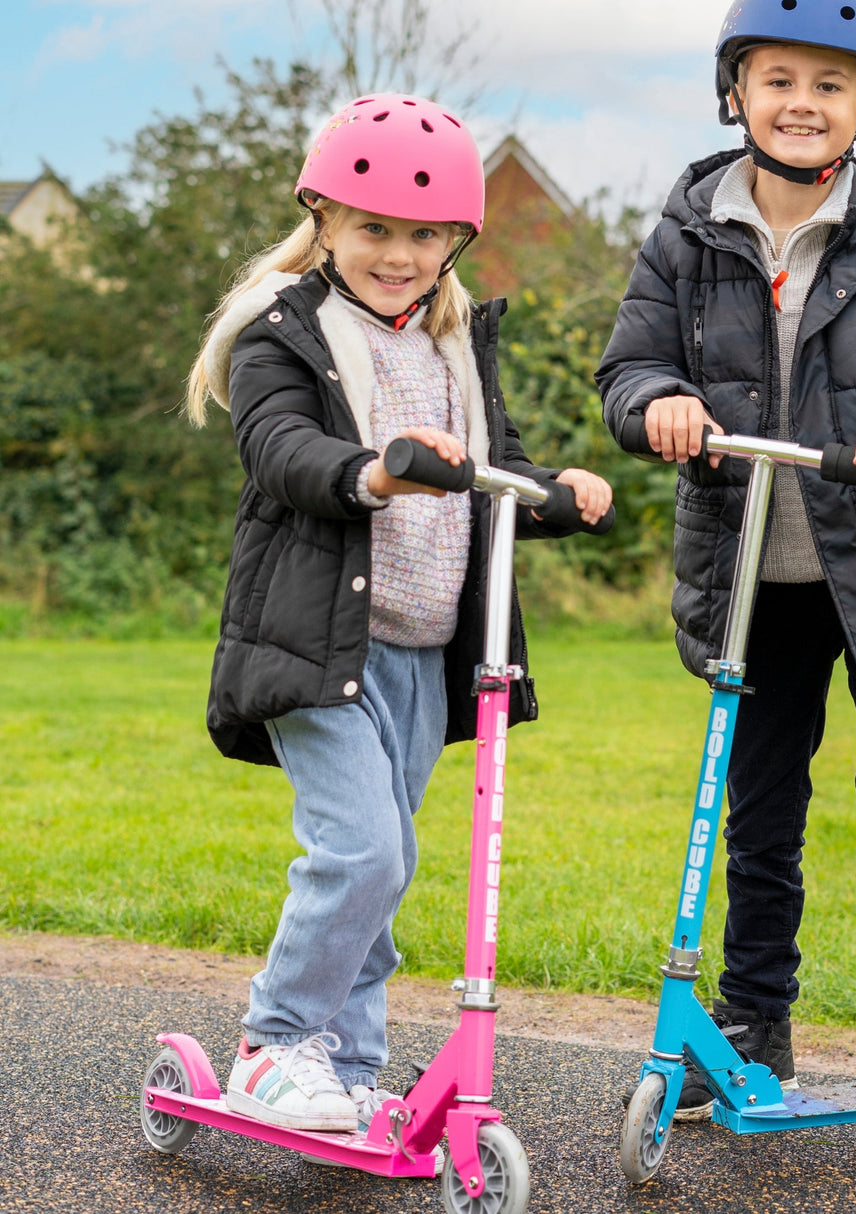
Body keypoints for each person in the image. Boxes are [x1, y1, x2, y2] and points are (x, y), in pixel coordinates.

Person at [598, 0, 856, 1117]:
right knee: (757, 807)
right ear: (735, 92)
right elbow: (625, 368)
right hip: (750, 587)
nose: (801, 104)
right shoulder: (685, 238)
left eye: (829, 85)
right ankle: (751, 1018)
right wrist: (660, 402)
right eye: (778, 79)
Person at [186, 93, 612, 1135]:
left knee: (389, 866)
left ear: (454, 240)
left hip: (424, 654)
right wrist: (375, 471)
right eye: (373, 228)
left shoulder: (452, 347)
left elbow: (487, 471)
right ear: (323, 219)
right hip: (315, 648)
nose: (397, 252)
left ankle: (345, 1061)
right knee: (362, 851)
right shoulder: (283, 336)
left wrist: (552, 490)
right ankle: (271, 1045)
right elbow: (282, 451)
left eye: (422, 235)